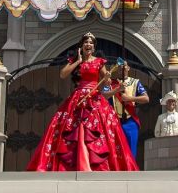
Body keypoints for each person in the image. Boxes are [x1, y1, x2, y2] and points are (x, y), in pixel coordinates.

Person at [27, 32, 139, 171]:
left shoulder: (99, 62)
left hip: (95, 98)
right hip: (78, 96)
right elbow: (63, 74)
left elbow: (107, 82)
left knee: (98, 128)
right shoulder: (75, 60)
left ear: (94, 47)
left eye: (91, 43)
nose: (88, 45)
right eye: (86, 42)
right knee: (71, 127)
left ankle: (96, 163)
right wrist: (78, 61)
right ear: (81, 45)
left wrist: (107, 77)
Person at [106, 64, 149, 156]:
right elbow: (103, 96)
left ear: (128, 68)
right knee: (115, 153)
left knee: (131, 153)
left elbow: (146, 98)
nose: (122, 67)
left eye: (124, 65)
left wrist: (129, 98)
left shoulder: (135, 82)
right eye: (120, 66)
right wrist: (116, 90)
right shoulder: (111, 84)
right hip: (114, 122)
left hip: (130, 121)